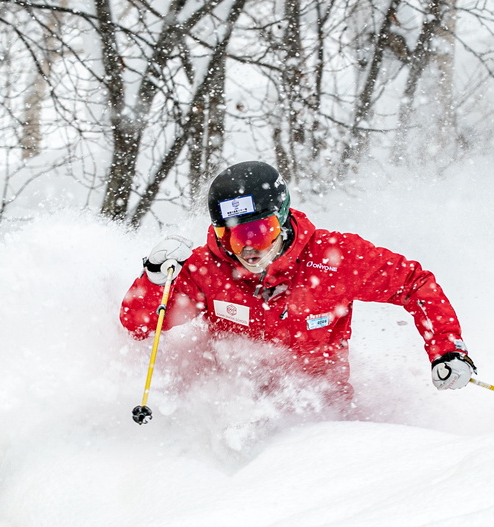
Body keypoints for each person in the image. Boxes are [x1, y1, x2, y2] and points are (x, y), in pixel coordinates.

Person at [120, 160, 475, 401]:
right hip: (233, 413)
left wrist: (446, 349)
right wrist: (153, 280)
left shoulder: (334, 258)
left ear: (283, 219)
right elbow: (138, 325)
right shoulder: (205, 269)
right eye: (230, 236)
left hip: (323, 416)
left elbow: (415, 284)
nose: (247, 249)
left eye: (259, 233)